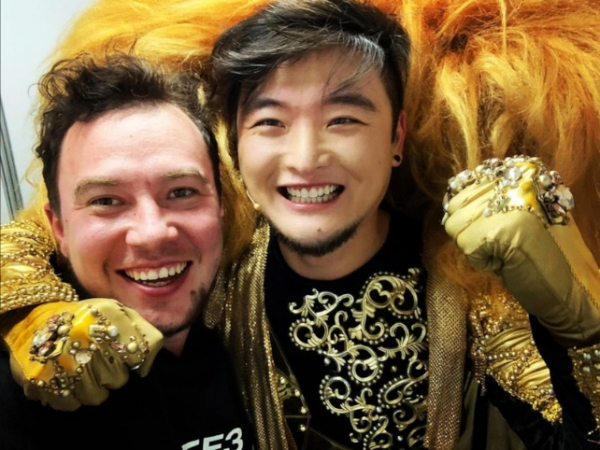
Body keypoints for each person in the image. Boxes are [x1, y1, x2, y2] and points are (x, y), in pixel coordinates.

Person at [1, 0, 599, 449]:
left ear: (397, 136)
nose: (306, 157)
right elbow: (43, 233)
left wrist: (581, 325)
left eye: (344, 119)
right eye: (271, 123)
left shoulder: (469, 286)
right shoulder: (209, 270)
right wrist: (39, 313)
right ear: (235, 145)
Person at [0, 54, 254, 450]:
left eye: (181, 192)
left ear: (223, 205)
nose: (152, 234)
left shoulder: (254, 326)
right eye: (106, 201)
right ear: (58, 228)